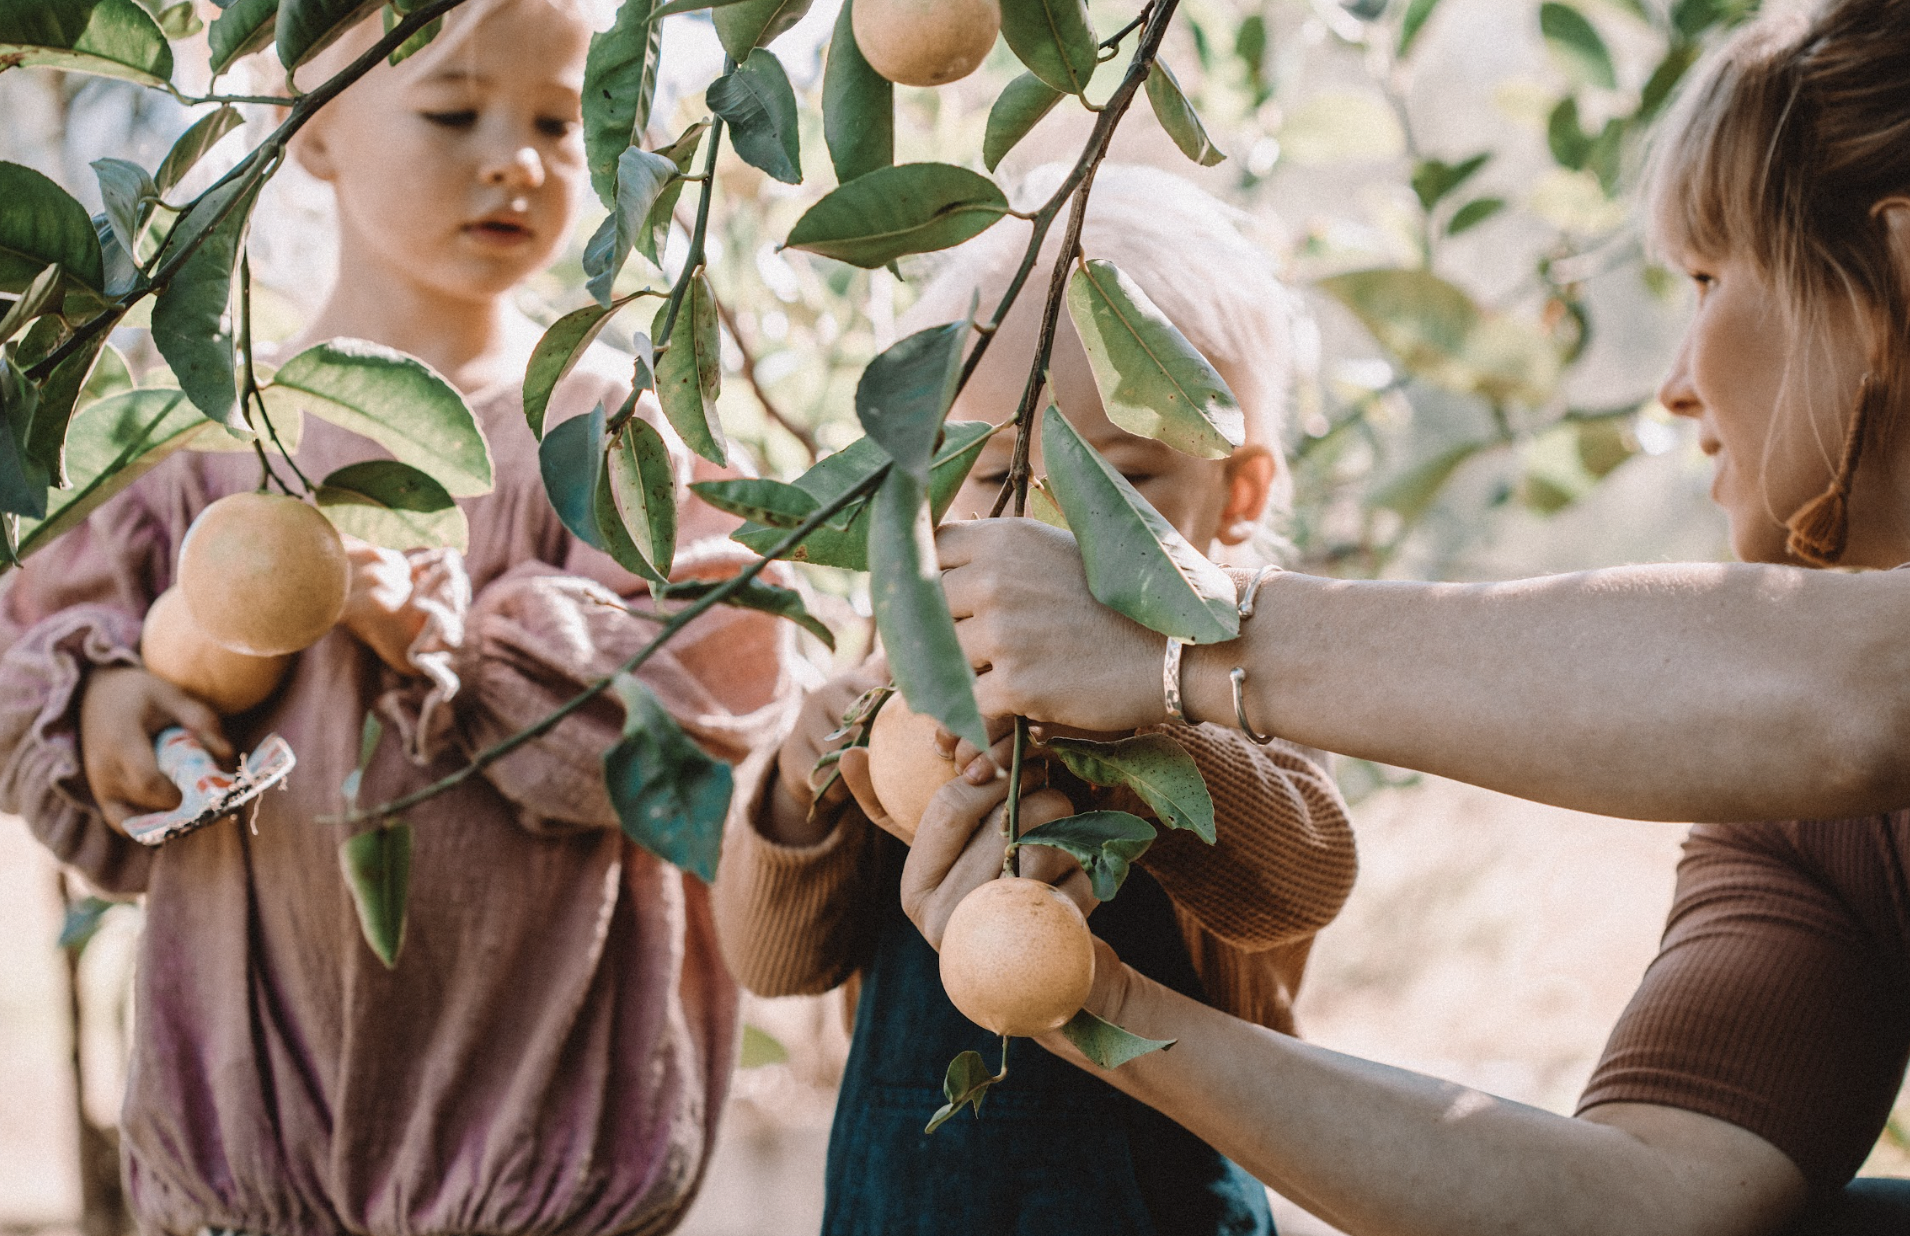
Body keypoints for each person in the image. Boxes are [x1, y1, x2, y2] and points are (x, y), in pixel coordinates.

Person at [901, 3, 1910, 1233]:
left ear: (1891, 276)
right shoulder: (1811, 827)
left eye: (1707, 277)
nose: (1677, 379)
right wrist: (1087, 1001)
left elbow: (1864, 692)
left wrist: (1185, 639)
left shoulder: (1835, 713)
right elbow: (1648, 1205)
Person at [0, 3, 793, 1232]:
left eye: (559, 119)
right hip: (246, 1179)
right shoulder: (194, 447)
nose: (517, 159)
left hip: (539, 1167)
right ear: (310, 124)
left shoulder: (600, 435)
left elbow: (703, 700)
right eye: (451, 108)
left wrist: (450, 636)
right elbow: (27, 664)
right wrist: (106, 704)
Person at [710, 165, 1358, 1235]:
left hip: (1162, 1191)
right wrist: (799, 780)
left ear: (1235, 494)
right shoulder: (912, 669)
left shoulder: (1235, 676)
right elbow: (776, 957)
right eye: (1000, 473)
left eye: (1122, 479)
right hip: (910, 1201)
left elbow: (1299, 883)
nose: (1051, 530)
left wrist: (1150, 729)